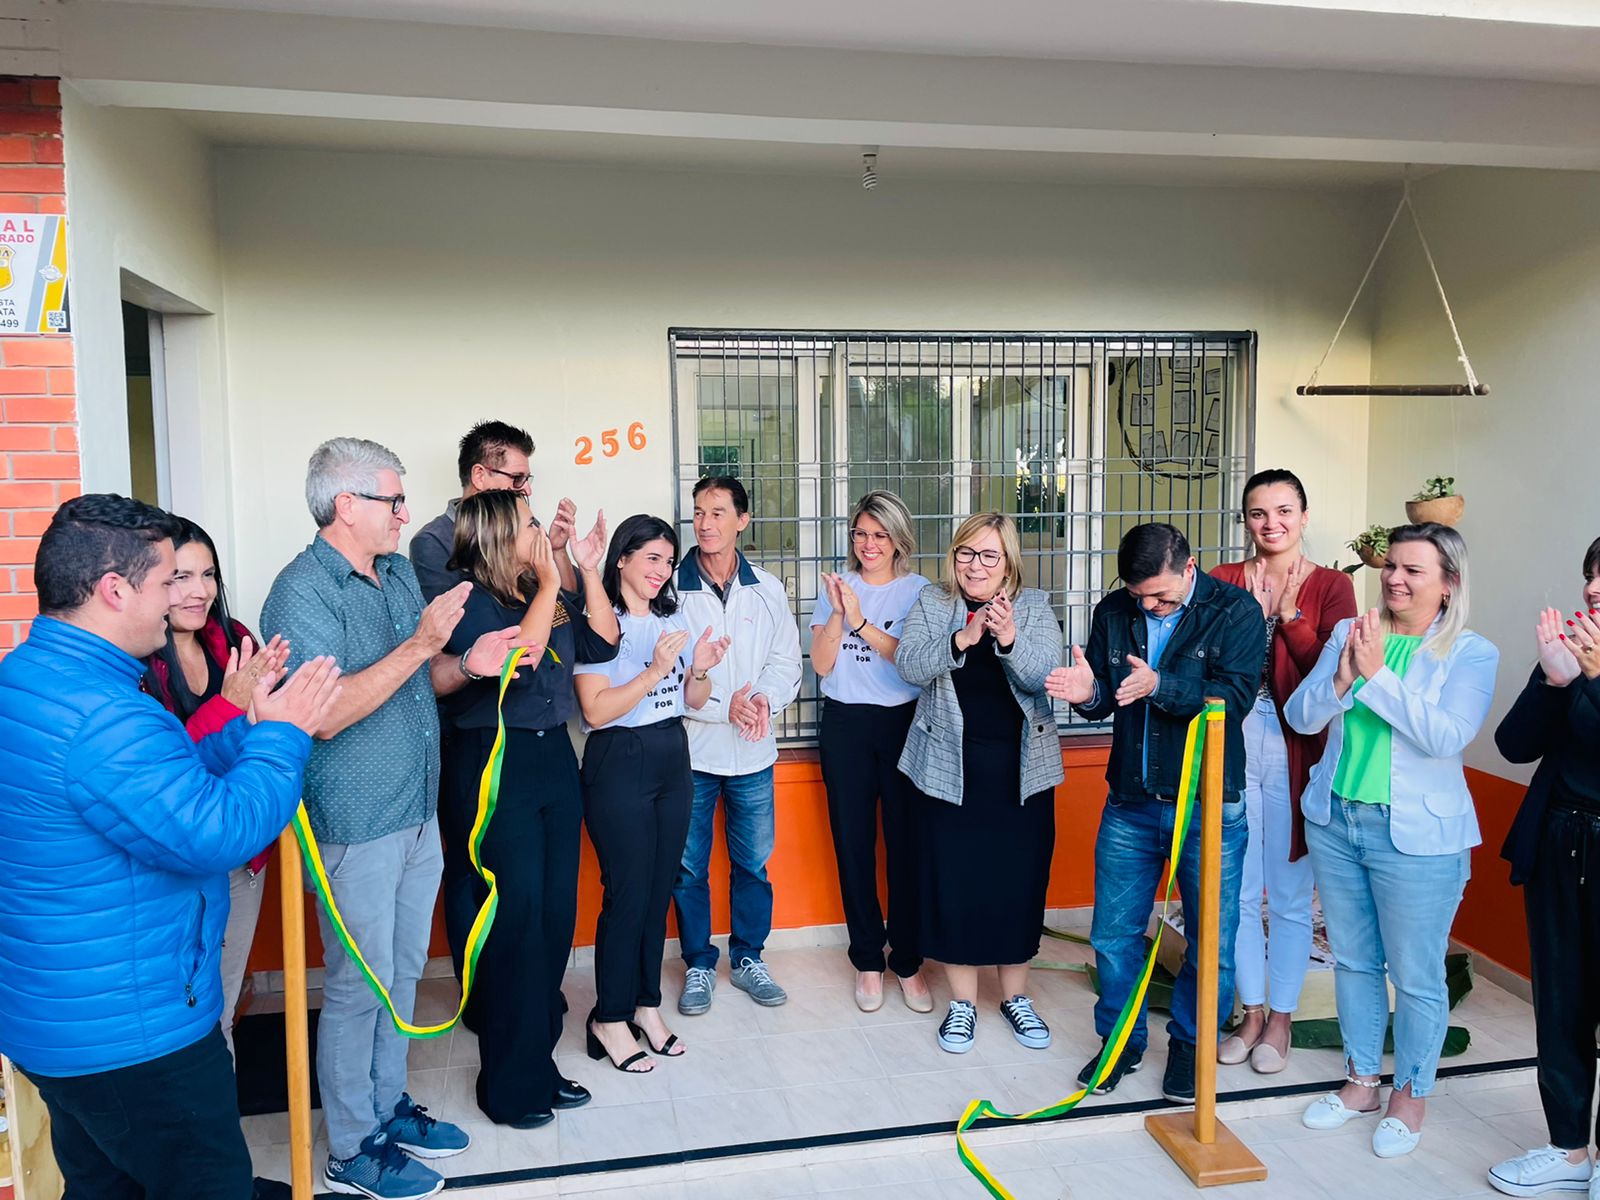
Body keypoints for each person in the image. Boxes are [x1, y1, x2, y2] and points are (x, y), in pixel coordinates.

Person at [0, 494, 340, 1200]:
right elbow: (218, 833)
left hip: (62, 1020)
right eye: (166, 583)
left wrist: (247, 728)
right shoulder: (103, 715)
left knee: (106, 1184)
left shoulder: (30, 679)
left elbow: (162, 790)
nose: (181, 598)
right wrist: (285, 734)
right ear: (114, 590)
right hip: (134, 1034)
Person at [262, 438, 527, 1200]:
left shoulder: (400, 571)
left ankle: (385, 1111)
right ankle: (351, 1147)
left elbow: (423, 682)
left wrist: (464, 667)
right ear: (346, 505)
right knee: (357, 985)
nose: (405, 513)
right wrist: (420, 645)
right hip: (355, 818)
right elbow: (325, 713)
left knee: (402, 973)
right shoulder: (301, 592)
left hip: (418, 811)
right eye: (392, 499)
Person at [1284, 523, 1497, 1159]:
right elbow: (1302, 715)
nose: (1395, 580)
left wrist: (1376, 677)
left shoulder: (1470, 652)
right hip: (1336, 819)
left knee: (1416, 972)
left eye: (1413, 571)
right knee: (1352, 960)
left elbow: (1444, 736)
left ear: (1448, 583)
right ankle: (1360, 1082)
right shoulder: (1354, 634)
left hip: (1417, 838)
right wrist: (1344, 677)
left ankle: (1411, 1093)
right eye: (1391, 568)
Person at [1046, 522, 1264, 1103]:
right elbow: (1101, 699)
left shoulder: (1236, 611)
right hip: (1131, 805)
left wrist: (1161, 683)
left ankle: (1190, 1049)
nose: (1148, 605)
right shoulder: (1114, 610)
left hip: (1208, 807)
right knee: (1114, 935)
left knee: (1210, 941)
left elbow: (1234, 699)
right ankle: (1120, 1044)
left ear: (1189, 569)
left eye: (1161, 595)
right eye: (1139, 594)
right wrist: (1085, 692)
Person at [437, 489, 618, 1121]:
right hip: (494, 761)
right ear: (493, 536)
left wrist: (586, 572)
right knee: (515, 923)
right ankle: (507, 1083)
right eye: (529, 525)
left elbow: (604, 643)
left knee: (552, 919)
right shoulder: (468, 601)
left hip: (549, 760)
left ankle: (539, 1062)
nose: (541, 533)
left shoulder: (543, 590)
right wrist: (549, 582)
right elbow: (520, 659)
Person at [896, 511, 1065, 1054]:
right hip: (947, 771)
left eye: (989, 555)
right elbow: (909, 665)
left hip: (1021, 774)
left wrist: (1010, 638)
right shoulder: (934, 604)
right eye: (966, 553)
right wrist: (963, 638)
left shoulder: (1034, 606)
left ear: (1008, 561)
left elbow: (1048, 677)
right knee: (957, 887)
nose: (975, 565)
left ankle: (1016, 997)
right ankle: (963, 1005)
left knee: (1018, 884)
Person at [1210, 470, 1356, 1073]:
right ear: (1244, 520)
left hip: (1299, 745)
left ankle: (1282, 1018)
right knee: (1237, 888)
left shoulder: (1333, 587)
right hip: (1233, 740)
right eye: (1257, 513)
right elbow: (1207, 660)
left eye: (1283, 510)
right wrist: (1249, 611)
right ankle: (1250, 1010)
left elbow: (1328, 674)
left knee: (1291, 892)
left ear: (1304, 514)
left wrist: (1292, 614)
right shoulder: (1222, 581)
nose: (1271, 524)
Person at [574, 515, 729, 1072]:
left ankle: (644, 1005)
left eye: (668, 560)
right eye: (652, 559)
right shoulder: (600, 619)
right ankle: (607, 1018)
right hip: (619, 759)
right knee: (627, 893)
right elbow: (595, 709)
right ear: (621, 559)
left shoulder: (674, 613)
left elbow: (689, 698)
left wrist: (702, 671)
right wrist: (653, 669)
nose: (663, 571)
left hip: (670, 754)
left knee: (659, 887)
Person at [142, 516, 292, 1058]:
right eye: (181, 577)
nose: (199, 590)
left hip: (242, 853)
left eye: (208, 574)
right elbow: (166, 772)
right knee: (189, 1019)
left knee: (222, 1007)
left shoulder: (234, 640)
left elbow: (269, 737)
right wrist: (231, 704)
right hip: (175, 865)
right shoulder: (135, 659)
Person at [1484, 542, 1600, 1197]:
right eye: (1589, 577)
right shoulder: (1570, 649)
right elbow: (1514, 744)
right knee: (1560, 1004)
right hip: (1560, 841)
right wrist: (1558, 683)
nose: (1592, 590)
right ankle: (1567, 1150)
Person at [672, 476, 803, 1015]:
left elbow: (787, 663)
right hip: (691, 754)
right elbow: (664, 675)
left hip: (752, 754)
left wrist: (764, 703)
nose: (705, 523)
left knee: (752, 864)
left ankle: (748, 956)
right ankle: (699, 964)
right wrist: (721, 704)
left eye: (718, 513)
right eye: (699, 513)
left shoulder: (766, 589)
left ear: (742, 521)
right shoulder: (670, 589)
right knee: (688, 867)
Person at [811, 491, 934, 1014]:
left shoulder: (920, 592)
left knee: (908, 847)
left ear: (897, 539)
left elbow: (911, 663)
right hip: (845, 725)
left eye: (879, 535)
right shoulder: (838, 586)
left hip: (903, 723)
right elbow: (820, 664)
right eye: (861, 534)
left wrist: (862, 621)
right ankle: (867, 959)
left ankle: (906, 961)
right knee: (853, 845)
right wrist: (840, 613)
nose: (868, 544)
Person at [410, 419, 580, 601]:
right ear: (479, 475)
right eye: (516, 478)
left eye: (526, 479)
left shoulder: (528, 525)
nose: (527, 490)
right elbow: (452, 623)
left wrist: (558, 550)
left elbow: (571, 606)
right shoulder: (432, 542)